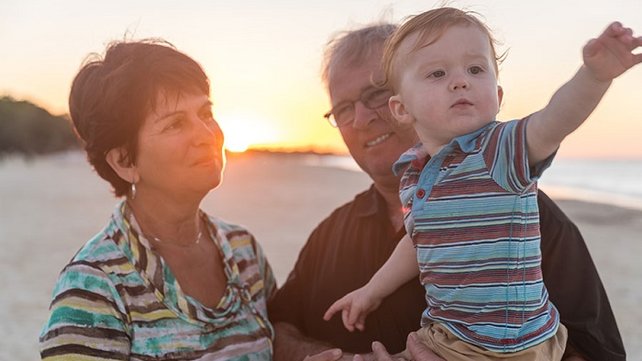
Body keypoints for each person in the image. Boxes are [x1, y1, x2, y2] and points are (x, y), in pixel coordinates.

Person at [268, 21, 626, 361]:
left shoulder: (523, 209)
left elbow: (597, 350)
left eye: (375, 93)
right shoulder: (332, 232)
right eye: (344, 108)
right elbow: (276, 327)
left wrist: (593, 76)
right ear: (404, 107)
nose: (361, 119)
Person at [39, 40, 276, 360]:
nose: (206, 134)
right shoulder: (93, 288)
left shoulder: (243, 250)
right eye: (176, 123)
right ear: (124, 161)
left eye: (206, 113)